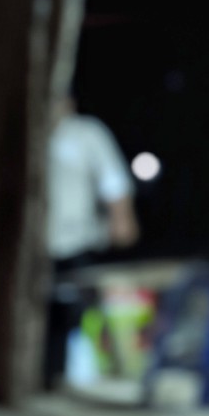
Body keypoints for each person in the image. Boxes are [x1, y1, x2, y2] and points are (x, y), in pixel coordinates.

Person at [44, 97, 140, 388]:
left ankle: (72, 376)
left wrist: (122, 219)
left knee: (74, 310)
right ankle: (47, 376)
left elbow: (113, 180)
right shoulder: (29, 132)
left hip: (76, 242)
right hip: (35, 247)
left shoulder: (86, 133)